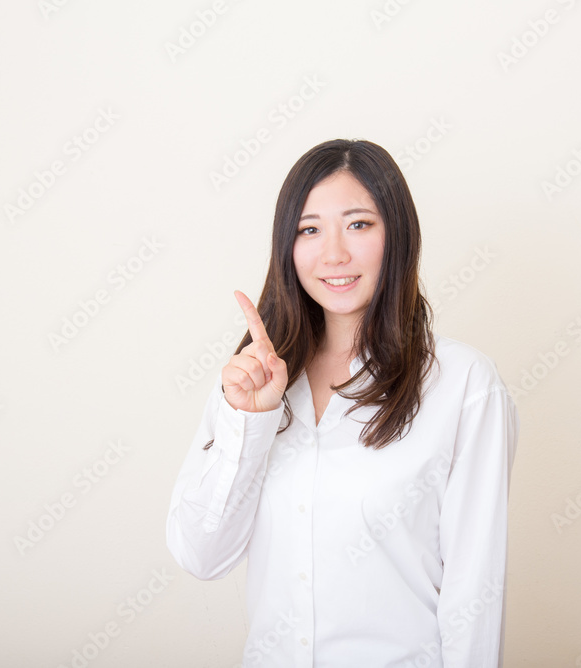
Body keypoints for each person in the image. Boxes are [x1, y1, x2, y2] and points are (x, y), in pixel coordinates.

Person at [166, 138, 518, 667]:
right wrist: (248, 424)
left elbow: (475, 592)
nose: (333, 254)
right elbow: (201, 556)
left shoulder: (462, 383)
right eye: (309, 230)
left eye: (358, 224)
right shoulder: (251, 383)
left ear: (397, 235)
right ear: (287, 246)